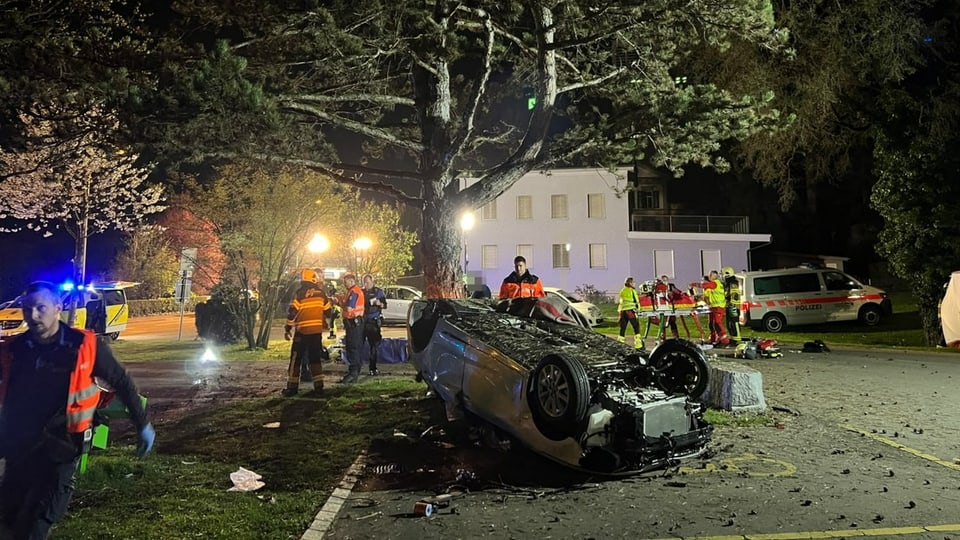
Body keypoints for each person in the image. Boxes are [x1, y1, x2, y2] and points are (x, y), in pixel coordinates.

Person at [0, 281, 155, 539]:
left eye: (41, 307)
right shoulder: (13, 350)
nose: (33, 315)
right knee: (8, 524)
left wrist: (142, 425)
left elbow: (121, 382)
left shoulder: (84, 346)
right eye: (28, 308)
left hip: (61, 450)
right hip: (19, 450)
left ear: (58, 307)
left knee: (36, 524)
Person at [282, 268, 333, 397]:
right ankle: (319, 388)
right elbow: (328, 312)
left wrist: (288, 329)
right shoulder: (321, 293)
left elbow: (292, 312)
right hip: (316, 332)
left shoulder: (299, 293)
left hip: (301, 332)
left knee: (296, 359)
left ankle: (292, 388)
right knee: (315, 359)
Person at [338, 273, 366, 384]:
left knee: (352, 347)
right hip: (356, 324)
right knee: (356, 347)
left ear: (351, 281)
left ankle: (353, 373)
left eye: (345, 282)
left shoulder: (354, 292)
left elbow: (349, 308)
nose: (344, 284)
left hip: (353, 324)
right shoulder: (354, 291)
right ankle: (355, 371)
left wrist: (340, 303)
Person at [692, 270, 730, 346]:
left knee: (718, 323)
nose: (709, 277)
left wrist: (693, 284)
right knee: (714, 324)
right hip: (715, 306)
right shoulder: (717, 283)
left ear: (713, 276)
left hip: (718, 307)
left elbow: (703, 286)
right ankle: (719, 338)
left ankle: (725, 341)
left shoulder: (714, 283)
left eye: (710, 275)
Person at [361, 274, 387, 376]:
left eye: (367, 282)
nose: (366, 284)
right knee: (359, 344)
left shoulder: (378, 292)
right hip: (363, 322)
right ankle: (357, 367)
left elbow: (384, 305)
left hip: (373, 322)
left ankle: (373, 368)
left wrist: (379, 303)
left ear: (372, 281)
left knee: (374, 346)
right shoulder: (361, 292)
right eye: (364, 282)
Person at [617, 277, 644, 349]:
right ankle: (638, 345)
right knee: (636, 327)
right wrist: (639, 310)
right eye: (633, 282)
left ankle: (620, 344)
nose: (634, 283)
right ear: (630, 283)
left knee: (622, 328)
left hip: (623, 312)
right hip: (630, 311)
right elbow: (637, 302)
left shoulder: (622, 290)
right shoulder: (632, 291)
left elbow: (621, 302)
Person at [655, 275, 681, 340]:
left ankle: (676, 337)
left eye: (666, 280)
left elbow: (678, 292)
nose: (665, 282)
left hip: (670, 306)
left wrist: (672, 292)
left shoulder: (671, 286)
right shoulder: (659, 287)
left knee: (672, 321)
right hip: (662, 307)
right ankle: (662, 337)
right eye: (663, 280)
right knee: (662, 322)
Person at [722, 267, 742, 342]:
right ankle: (733, 337)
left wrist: (732, 305)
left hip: (733, 307)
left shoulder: (733, 283)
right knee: (730, 323)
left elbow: (734, 295)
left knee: (734, 322)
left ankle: (737, 338)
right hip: (729, 306)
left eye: (723, 274)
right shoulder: (728, 283)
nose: (722, 276)